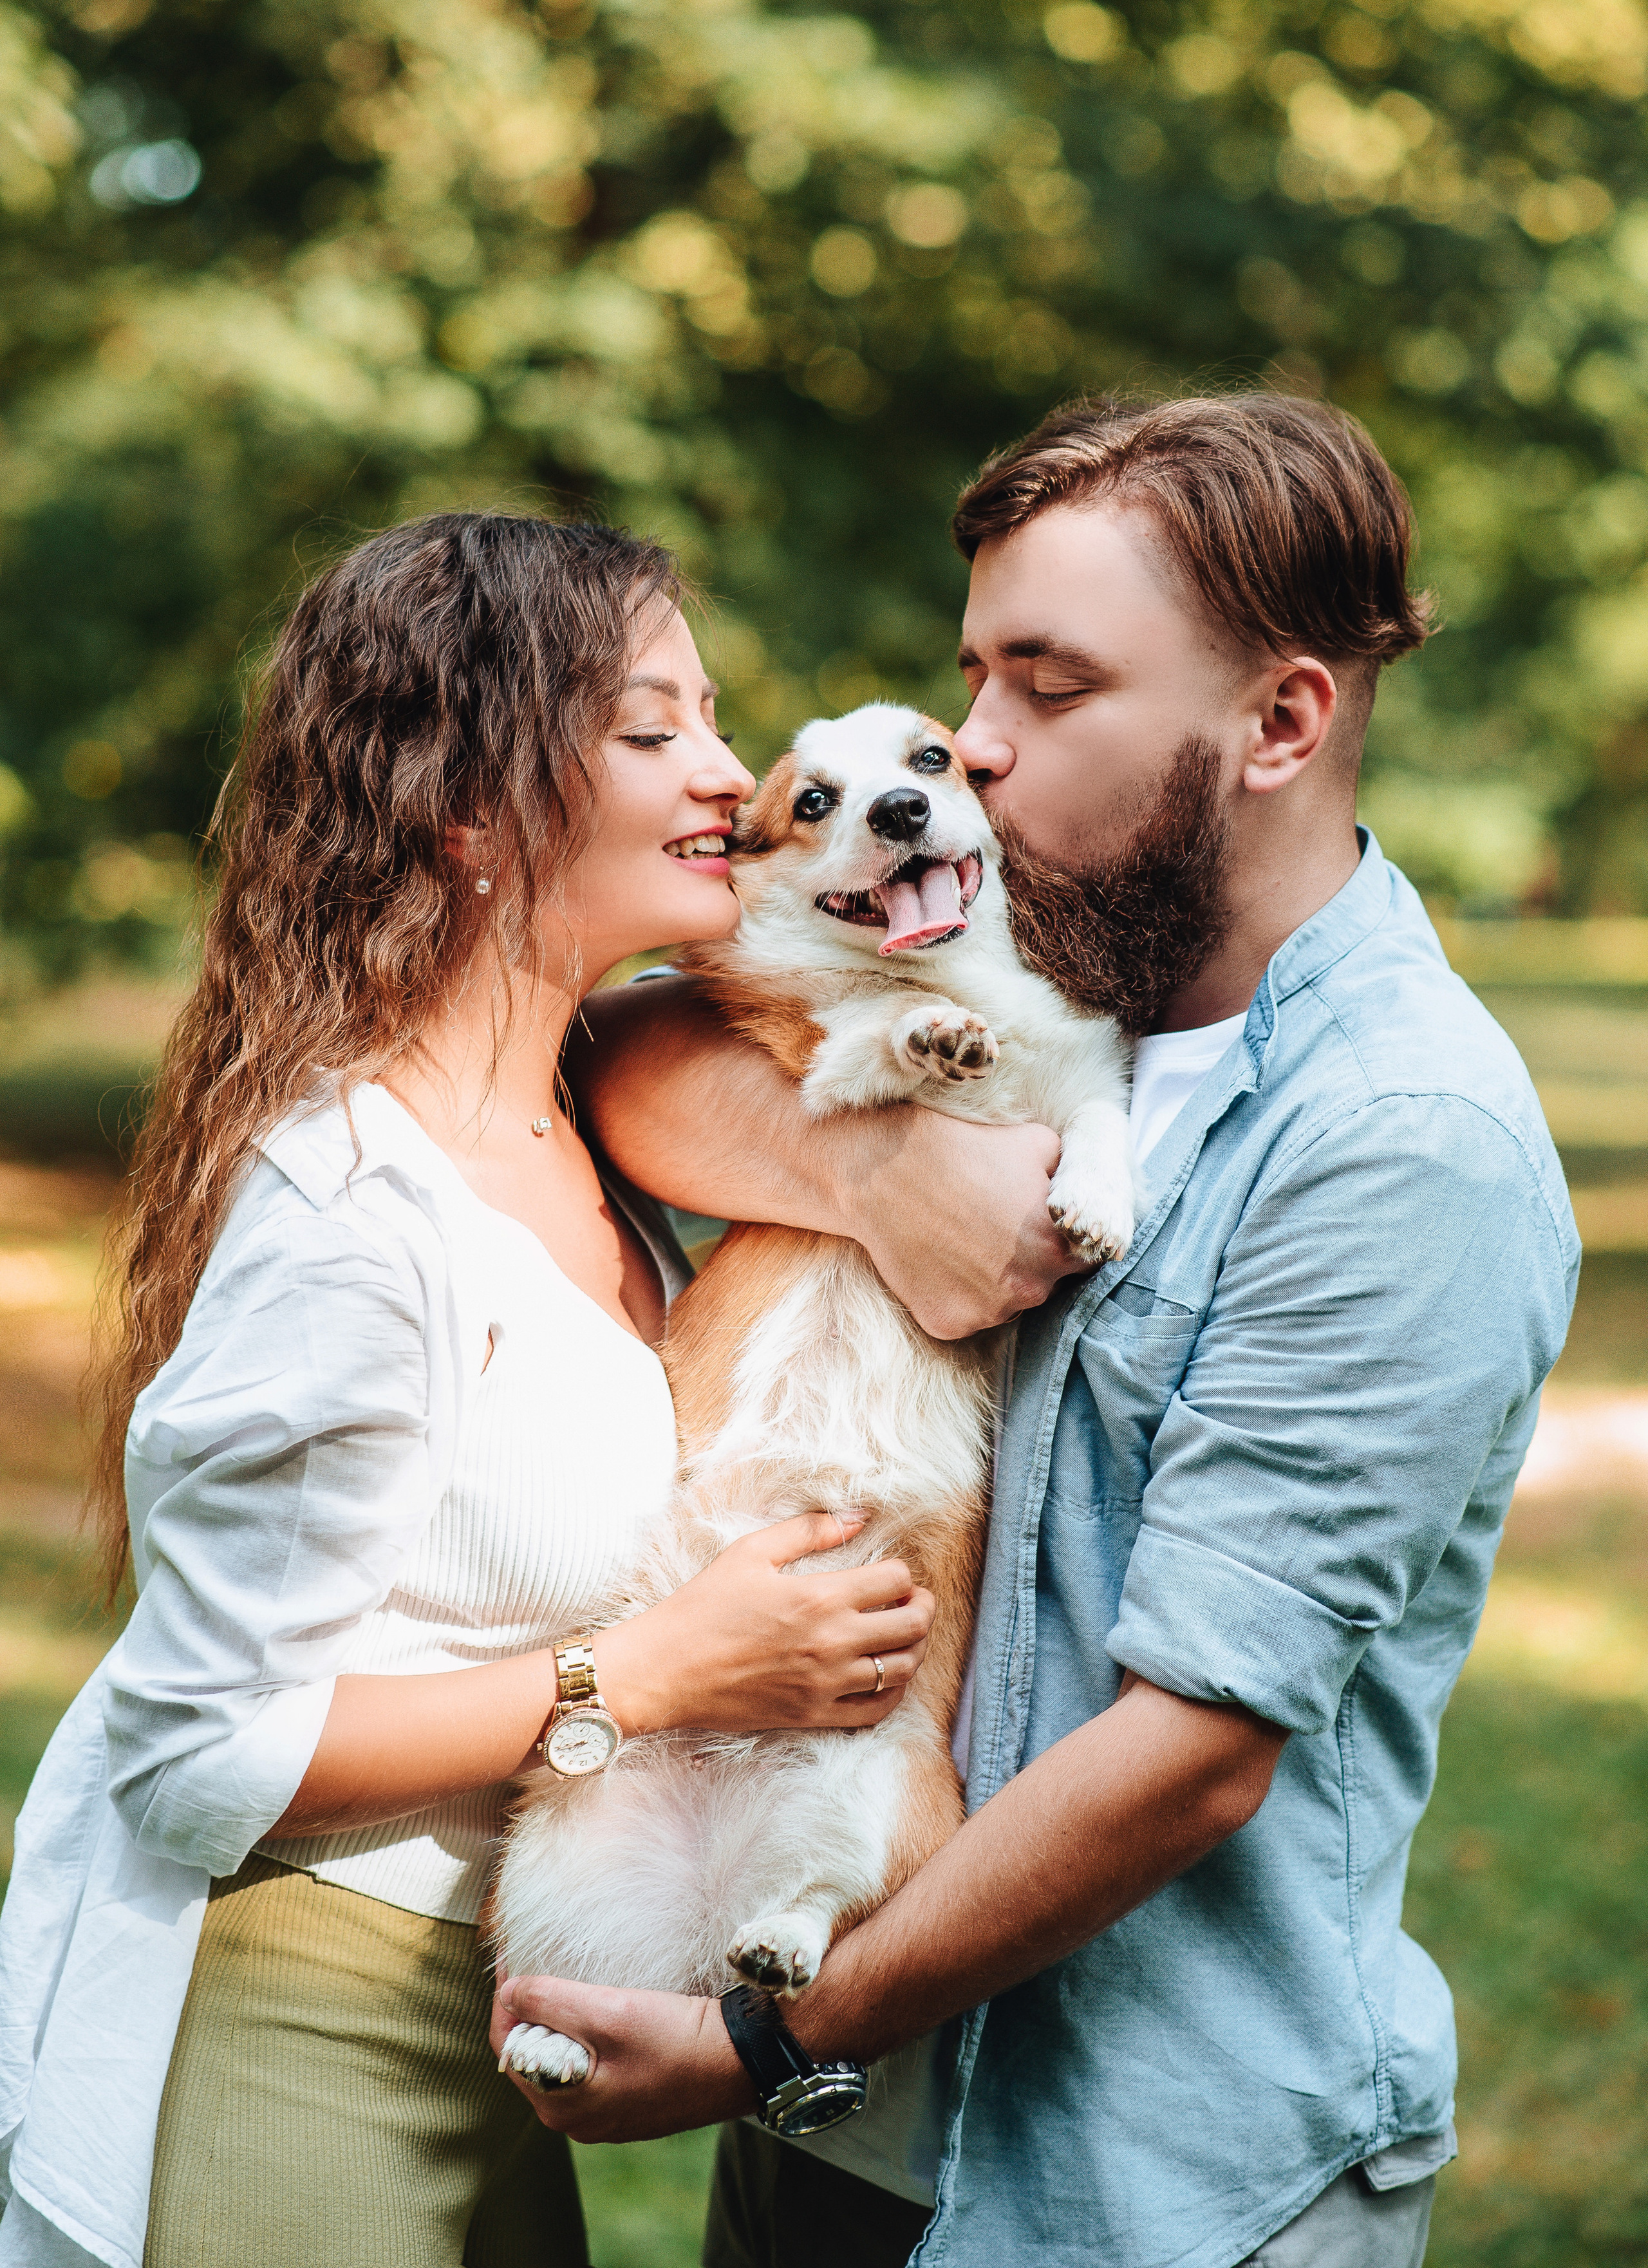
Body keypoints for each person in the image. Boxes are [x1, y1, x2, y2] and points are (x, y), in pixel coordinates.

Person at [492, 397, 1579, 2268]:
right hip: (852, 2128)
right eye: (975, 674)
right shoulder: (1029, 966)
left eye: (1051, 690)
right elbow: (634, 1043)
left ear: (1281, 723)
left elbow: (1194, 1747)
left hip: (1150, 2168)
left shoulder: (1404, 1142)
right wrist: (870, 1175)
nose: (973, 750)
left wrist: (777, 2036)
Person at [0, 516, 935, 2268]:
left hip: (506, 2010)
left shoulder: (596, 1132)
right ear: (473, 815)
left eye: (714, 718)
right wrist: (650, 1674)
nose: (731, 774)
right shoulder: (356, 1220)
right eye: (655, 731)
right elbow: (194, 1757)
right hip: (290, 2017)